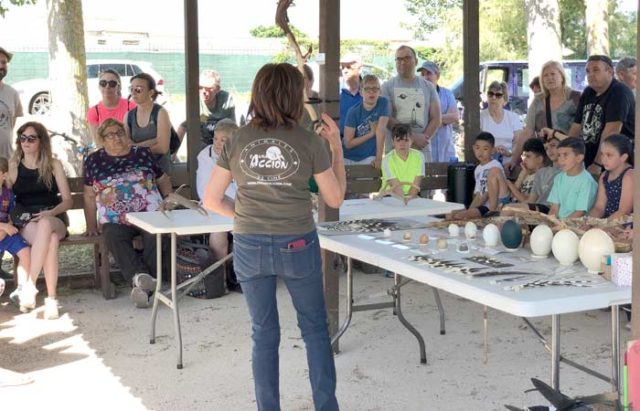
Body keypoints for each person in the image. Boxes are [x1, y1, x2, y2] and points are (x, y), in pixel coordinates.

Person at [203, 63, 344, 411]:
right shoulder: (309, 140)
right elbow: (335, 198)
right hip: (297, 240)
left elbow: (211, 199)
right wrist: (336, 148)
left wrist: (247, 215)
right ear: (291, 96)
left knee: (263, 334)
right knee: (314, 330)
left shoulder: (235, 138)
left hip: (249, 243)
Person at [83, 118, 171, 308]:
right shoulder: (93, 160)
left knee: (154, 235)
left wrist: (168, 200)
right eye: (110, 135)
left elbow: (163, 179)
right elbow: (89, 196)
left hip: (150, 213)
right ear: (102, 139)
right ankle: (143, 280)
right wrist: (91, 225)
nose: (117, 138)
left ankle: (143, 285)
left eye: (120, 133)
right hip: (116, 219)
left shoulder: (142, 154)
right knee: (112, 235)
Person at [9, 122, 72, 319]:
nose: (25, 142)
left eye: (31, 138)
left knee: (46, 225)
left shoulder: (53, 165)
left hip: (54, 217)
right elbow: (8, 199)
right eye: (22, 137)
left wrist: (51, 212)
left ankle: (30, 286)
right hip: (27, 221)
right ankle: (51, 300)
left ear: (41, 141)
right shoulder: (14, 165)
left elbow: (68, 200)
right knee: (50, 241)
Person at [560, 55, 635, 174]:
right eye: (588, 71)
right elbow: (576, 127)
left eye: (596, 70)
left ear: (609, 71)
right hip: (589, 158)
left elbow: (612, 130)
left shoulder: (619, 91)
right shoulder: (588, 92)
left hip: (614, 163)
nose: (590, 74)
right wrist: (566, 156)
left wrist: (598, 164)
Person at [195, 118, 240, 292]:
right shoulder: (205, 155)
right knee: (218, 232)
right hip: (214, 206)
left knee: (244, 231)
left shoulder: (243, 153)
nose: (218, 144)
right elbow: (205, 190)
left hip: (239, 206)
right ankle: (218, 278)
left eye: (223, 140)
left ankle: (238, 275)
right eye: (215, 139)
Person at [382, 45, 441, 163]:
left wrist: (423, 139)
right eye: (398, 59)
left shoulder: (428, 87)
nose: (402, 62)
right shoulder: (387, 87)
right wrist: (412, 138)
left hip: (421, 151)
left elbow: (436, 118)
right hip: (396, 152)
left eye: (407, 58)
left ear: (416, 61)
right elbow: (387, 118)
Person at [518, 60, 581, 169]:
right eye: (545, 75)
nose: (549, 78)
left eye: (553, 74)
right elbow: (527, 132)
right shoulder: (538, 100)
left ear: (561, 76)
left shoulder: (576, 98)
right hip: (548, 159)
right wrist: (514, 159)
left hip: (571, 157)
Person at [447, 132, 509, 220]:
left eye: (485, 149)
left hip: (491, 207)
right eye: (477, 148)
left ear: (492, 150)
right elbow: (479, 194)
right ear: (473, 148)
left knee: (459, 216)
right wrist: (469, 210)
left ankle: (489, 215)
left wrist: (469, 211)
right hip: (481, 206)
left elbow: (486, 194)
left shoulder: (495, 166)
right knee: (451, 214)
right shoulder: (478, 169)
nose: (480, 152)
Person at [124, 73, 173, 181]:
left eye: (138, 89)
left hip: (160, 172)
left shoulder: (160, 112)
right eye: (131, 89)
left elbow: (163, 148)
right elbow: (127, 146)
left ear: (150, 92)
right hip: (136, 171)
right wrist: (152, 141)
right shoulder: (129, 116)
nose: (133, 92)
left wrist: (136, 147)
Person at [0, 157, 33, 312]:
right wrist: (4, 227)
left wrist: (10, 226)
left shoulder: (8, 194)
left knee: (26, 252)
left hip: (7, 233)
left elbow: (12, 213)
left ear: (4, 175)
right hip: (3, 229)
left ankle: (21, 289)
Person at [176, 69, 236, 147]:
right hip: (202, 147)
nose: (204, 92)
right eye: (200, 88)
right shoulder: (195, 101)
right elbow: (183, 126)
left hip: (222, 147)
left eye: (209, 89)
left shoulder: (226, 100)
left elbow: (233, 129)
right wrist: (172, 155)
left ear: (217, 89)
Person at [503, 135, 561, 214]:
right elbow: (530, 200)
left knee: (508, 210)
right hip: (535, 207)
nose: (549, 150)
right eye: (547, 148)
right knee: (506, 210)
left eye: (553, 145)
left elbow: (529, 201)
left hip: (547, 209)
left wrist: (510, 185)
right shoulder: (542, 173)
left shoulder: (564, 172)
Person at [343, 74, 389, 168]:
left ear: (380, 91)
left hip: (369, 156)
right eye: (367, 89)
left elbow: (381, 130)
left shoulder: (383, 103)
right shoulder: (353, 112)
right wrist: (370, 134)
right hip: (349, 157)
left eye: (375, 88)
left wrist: (379, 159)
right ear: (361, 92)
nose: (371, 92)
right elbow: (348, 143)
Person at [417, 61, 459, 162]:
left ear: (437, 75)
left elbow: (455, 117)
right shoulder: (416, 96)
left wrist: (434, 119)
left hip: (446, 152)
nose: (425, 77)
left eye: (429, 73)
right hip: (425, 153)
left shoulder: (447, 94)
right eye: (422, 74)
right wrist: (443, 119)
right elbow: (419, 121)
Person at [547, 137, 598, 219]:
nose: (561, 160)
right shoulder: (559, 178)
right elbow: (554, 208)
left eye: (565, 155)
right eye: (559, 155)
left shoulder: (587, 182)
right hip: (559, 224)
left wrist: (560, 227)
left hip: (576, 226)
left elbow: (579, 213)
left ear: (579, 158)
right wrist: (550, 224)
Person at [479, 80, 523, 169]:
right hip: (486, 163)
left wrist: (509, 152)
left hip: (510, 164)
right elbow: (477, 143)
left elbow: (518, 143)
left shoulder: (513, 118)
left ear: (505, 101)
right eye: (490, 94)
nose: (493, 98)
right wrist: (491, 150)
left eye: (498, 95)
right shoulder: (480, 117)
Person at [589, 134, 633, 220]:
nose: (604, 159)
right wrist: (589, 222)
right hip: (607, 221)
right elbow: (599, 207)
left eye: (609, 155)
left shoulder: (629, 175)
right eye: (602, 154)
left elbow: (624, 212)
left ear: (623, 157)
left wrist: (602, 226)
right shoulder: (604, 175)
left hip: (625, 223)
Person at [86, 69, 136, 143]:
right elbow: (98, 142)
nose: (107, 86)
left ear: (118, 87)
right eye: (103, 83)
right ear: (99, 86)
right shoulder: (94, 112)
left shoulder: (132, 107)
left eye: (112, 83)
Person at [380, 123, 424, 203]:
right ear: (393, 142)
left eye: (406, 140)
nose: (402, 144)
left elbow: (416, 185)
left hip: (412, 197)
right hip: (390, 196)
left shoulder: (419, 156)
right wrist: (405, 202)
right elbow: (395, 187)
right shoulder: (387, 159)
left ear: (411, 141)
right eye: (398, 140)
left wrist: (409, 201)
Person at [507, 138, 548, 203]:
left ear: (539, 159)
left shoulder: (544, 175)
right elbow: (512, 196)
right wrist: (522, 175)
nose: (524, 159)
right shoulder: (525, 172)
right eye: (524, 156)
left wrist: (510, 185)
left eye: (528, 156)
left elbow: (529, 202)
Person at [0, 47, 23, 159]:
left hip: (7, 162)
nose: (1, 66)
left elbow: (11, 125)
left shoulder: (13, 93)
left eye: (3, 62)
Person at [339, 53, 363, 136]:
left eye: (349, 67)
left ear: (360, 69)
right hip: (339, 143)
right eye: (342, 67)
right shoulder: (335, 93)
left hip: (364, 143)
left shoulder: (370, 92)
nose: (345, 70)